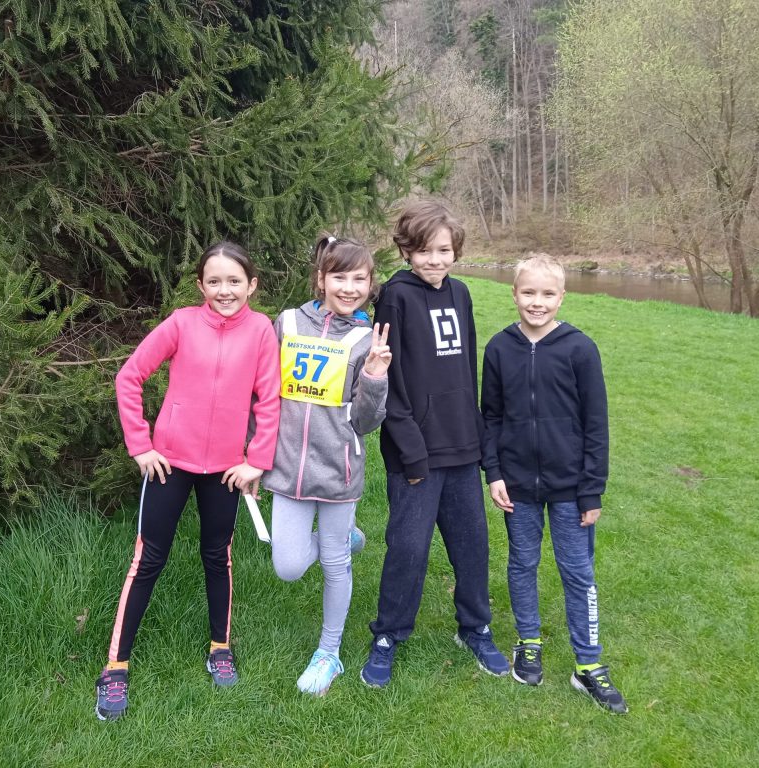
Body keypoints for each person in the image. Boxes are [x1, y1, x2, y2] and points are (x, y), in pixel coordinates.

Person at [95, 242, 281, 721]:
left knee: (218, 556)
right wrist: (141, 445)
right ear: (200, 285)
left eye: (234, 281)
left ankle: (220, 647)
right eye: (214, 281)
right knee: (148, 559)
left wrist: (256, 460)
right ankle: (116, 666)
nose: (224, 290)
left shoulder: (261, 330)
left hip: (226, 470)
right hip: (169, 464)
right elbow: (129, 377)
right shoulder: (181, 323)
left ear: (252, 285)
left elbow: (269, 399)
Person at [361, 200, 509, 688]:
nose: (435, 260)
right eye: (424, 250)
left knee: (472, 546)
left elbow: (466, 372)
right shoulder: (396, 297)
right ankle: (388, 635)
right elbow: (392, 383)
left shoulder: (461, 294)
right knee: (408, 548)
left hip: (462, 446)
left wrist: (480, 440)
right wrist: (412, 452)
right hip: (416, 454)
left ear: (456, 251)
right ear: (407, 251)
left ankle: (475, 627)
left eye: (444, 250)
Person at [481, 255, 628, 714]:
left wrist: (592, 489)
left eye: (547, 294)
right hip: (517, 484)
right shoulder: (499, 348)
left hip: (570, 488)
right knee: (522, 563)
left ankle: (588, 664)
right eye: (528, 292)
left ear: (562, 297)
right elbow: (490, 417)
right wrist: (494, 472)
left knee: (578, 572)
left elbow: (596, 423)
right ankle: (528, 642)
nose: (537, 302)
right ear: (514, 294)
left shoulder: (579, 349)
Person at [264, 235, 391, 696]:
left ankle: (329, 653)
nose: (350, 287)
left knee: (335, 564)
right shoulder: (287, 322)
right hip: (286, 470)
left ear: (370, 284)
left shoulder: (366, 340)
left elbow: (366, 422)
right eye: (340, 277)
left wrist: (374, 376)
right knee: (288, 566)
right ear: (321, 279)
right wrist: (253, 452)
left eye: (360, 279)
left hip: (339, 473)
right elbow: (264, 392)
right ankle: (348, 538)